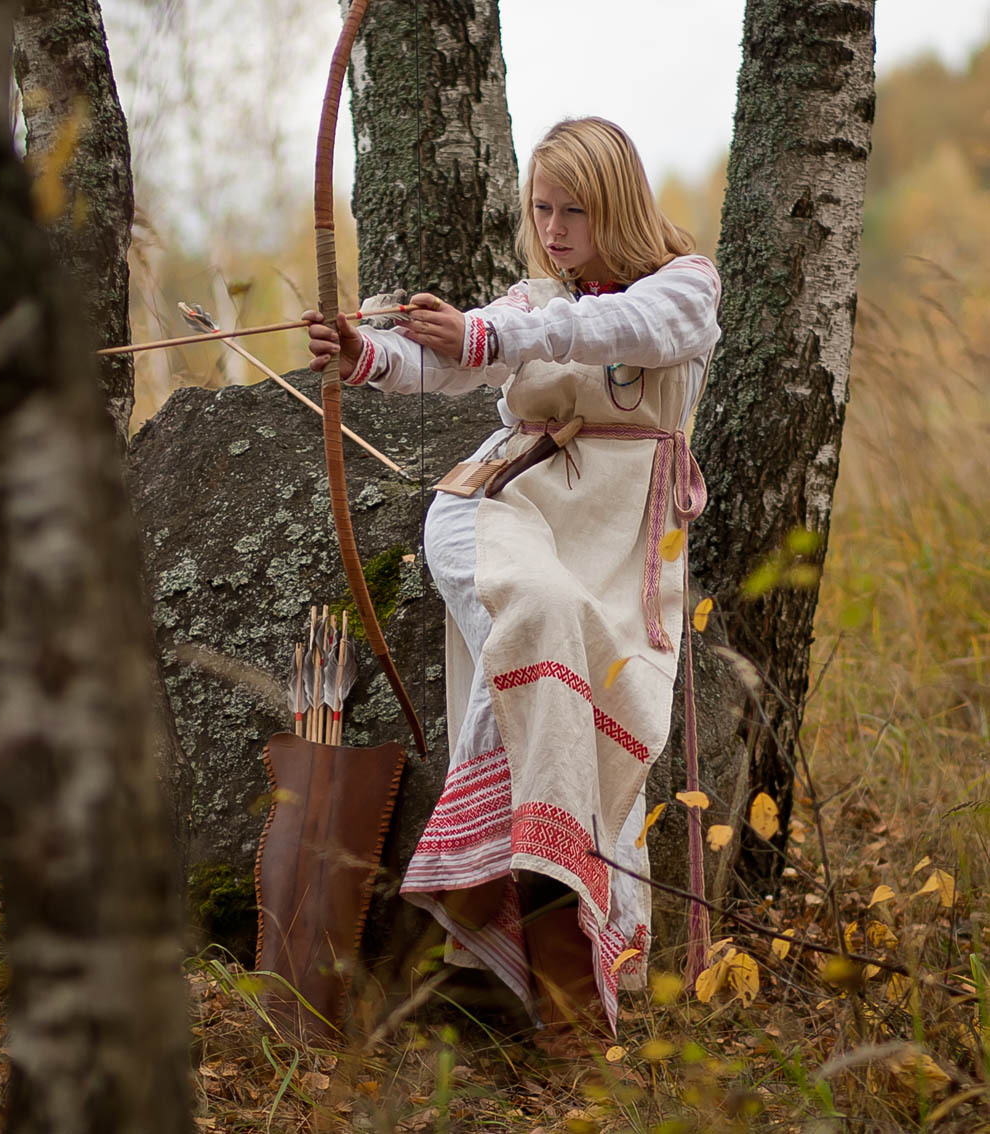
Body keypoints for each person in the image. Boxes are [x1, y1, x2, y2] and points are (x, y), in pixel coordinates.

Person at [304, 117, 721, 1036]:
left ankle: (546, 958)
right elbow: (441, 363)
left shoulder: (683, 288)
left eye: (578, 209)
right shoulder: (535, 297)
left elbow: (609, 326)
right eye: (544, 209)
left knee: (595, 693)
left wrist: (491, 330)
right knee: (541, 611)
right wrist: (367, 352)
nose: (558, 228)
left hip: (619, 543)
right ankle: (517, 929)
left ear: (620, 206)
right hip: (500, 508)